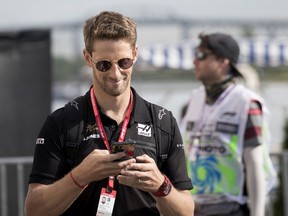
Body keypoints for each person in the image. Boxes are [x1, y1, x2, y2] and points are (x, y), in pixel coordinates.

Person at [24, 11, 194, 216]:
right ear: (88, 58)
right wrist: (80, 177)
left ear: (135, 55)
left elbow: (186, 212)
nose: (115, 74)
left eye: (124, 62)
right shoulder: (61, 122)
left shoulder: (163, 122)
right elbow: (33, 210)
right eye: (104, 64)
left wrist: (161, 186)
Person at [181, 33, 276, 216]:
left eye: (202, 55)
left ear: (223, 61)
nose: (194, 61)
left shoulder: (247, 103)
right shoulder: (192, 101)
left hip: (231, 205)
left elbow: (254, 162)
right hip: (194, 205)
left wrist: (257, 213)